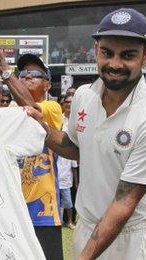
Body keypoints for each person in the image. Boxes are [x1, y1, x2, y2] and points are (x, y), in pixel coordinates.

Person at [0, 8, 146, 259]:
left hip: (131, 238)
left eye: (128, 55)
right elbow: (74, 147)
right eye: (107, 53)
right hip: (87, 227)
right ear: (96, 50)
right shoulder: (84, 96)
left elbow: (123, 205)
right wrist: (42, 128)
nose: (115, 64)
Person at [0, 47, 64, 259]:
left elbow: (31, 110)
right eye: (22, 74)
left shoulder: (52, 107)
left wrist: (4, 70)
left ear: (47, 84)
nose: (27, 76)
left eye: (35, 74)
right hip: (13, 206)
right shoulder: (10, 109)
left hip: (43, 211)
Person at [58, 94, 78, 230]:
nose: (69, 105)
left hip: (72, 162)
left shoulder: (79, 120)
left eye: (72, 102)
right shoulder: (58, 119)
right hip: (59, 162)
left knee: (69, 199)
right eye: (66, 102)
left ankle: (70, 220)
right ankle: (60, 221)